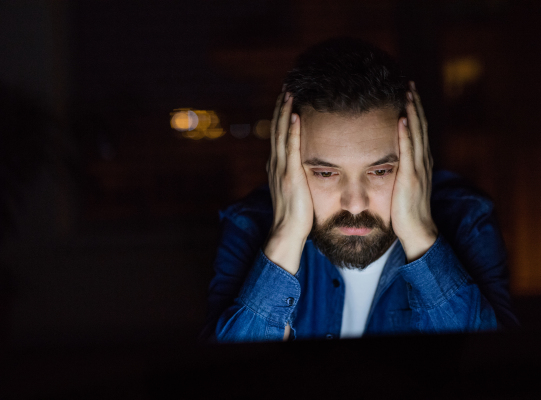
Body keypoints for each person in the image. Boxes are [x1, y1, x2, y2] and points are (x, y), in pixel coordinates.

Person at [201, 38, 519, 342]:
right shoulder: (248, 224)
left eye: (379, 171)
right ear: (288, 162)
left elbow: (494, 375)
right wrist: (284, 241)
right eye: (326, 173)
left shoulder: (466, 216)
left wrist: (421, 235)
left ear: (415, 157)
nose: (355, 203)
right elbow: (224, 382)